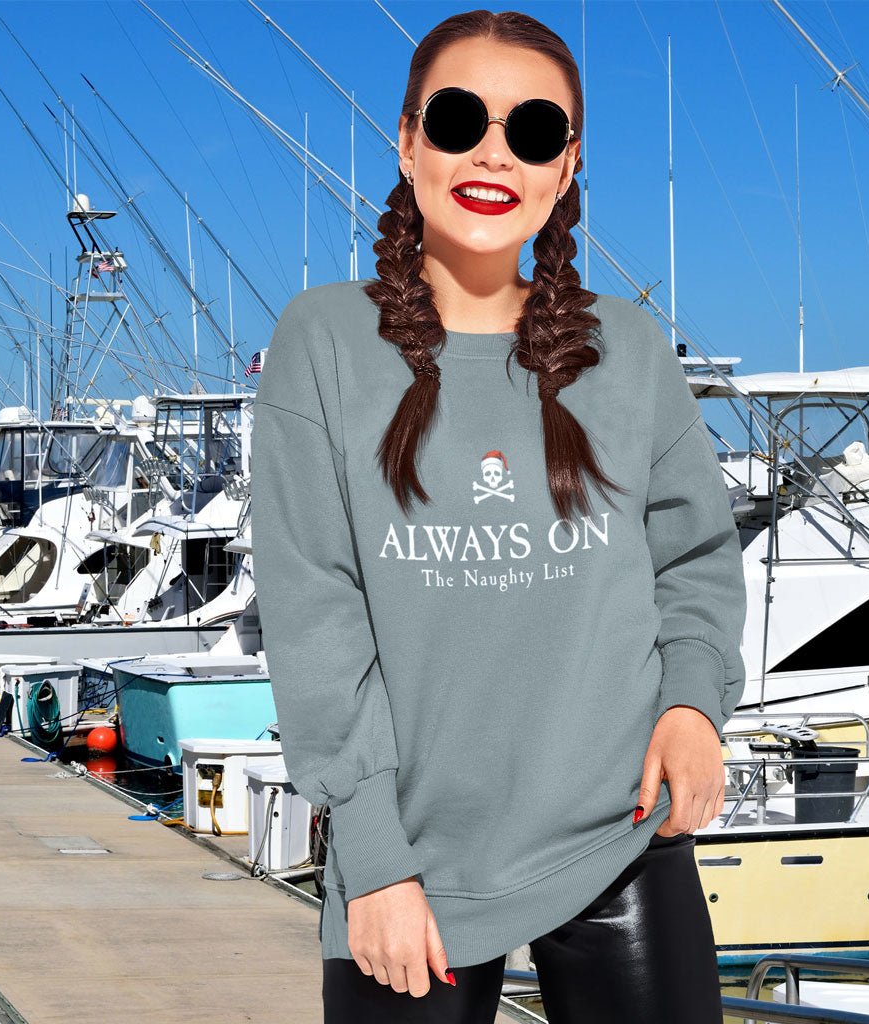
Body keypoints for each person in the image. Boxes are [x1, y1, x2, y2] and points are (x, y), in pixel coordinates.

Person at [249, 9, 747, 1023]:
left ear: (565, 167)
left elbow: (693, 557)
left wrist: (693, 706)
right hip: (411, 865)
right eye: (459, 119)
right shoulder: (323, 341)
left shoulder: (630, 348)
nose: (491, 154)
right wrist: (372, 857)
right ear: (405, 139)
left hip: (622, 837)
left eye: (530, 133)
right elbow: (313, 612)